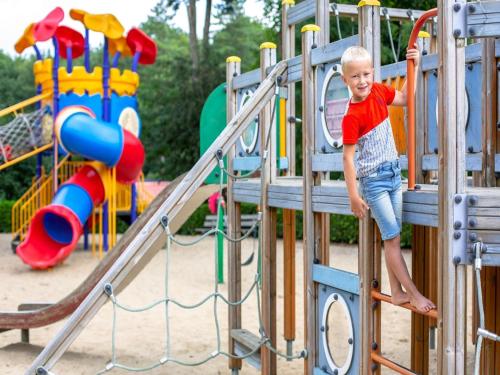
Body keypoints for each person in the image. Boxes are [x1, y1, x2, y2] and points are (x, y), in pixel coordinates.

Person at [341, 45, 436, 313]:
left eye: (366, 74)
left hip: (394, 175)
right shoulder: (352, 117)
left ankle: (396, 292)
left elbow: (406, 97)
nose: (362, 81)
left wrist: (413, 67)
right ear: (345, 80)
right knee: (393, 239)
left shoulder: (380, 92)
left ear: (373, 73)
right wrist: (354, 196)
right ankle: (414, 293)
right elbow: (347, 159)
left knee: (392, 237)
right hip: (374, 183)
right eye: (355, 76)